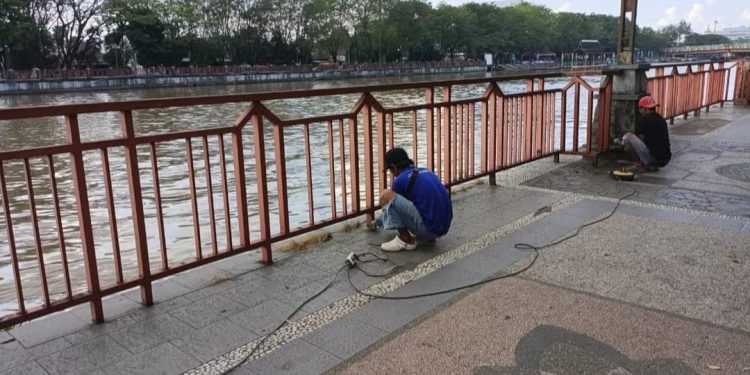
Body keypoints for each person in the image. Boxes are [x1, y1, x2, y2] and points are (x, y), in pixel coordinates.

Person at [377, 148, 453, 252]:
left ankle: (405, 240)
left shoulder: (399, 181)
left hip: (429, 230)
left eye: (390, 170)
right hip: (444, 228)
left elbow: (394, 209)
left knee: (385, 196)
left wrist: (378, 222)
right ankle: (427, 234)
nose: (392, 174)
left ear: (394, 167)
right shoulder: (426, 171)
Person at [621, 95, 671, 172]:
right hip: (665, 159)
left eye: (639, 108)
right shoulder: (662, 120)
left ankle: (640, 164)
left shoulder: (643, 120)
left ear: (644, 108)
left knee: (627, 137)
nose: (639, 111)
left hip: (653, 159)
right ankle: (650, 165)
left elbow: (641, 140)